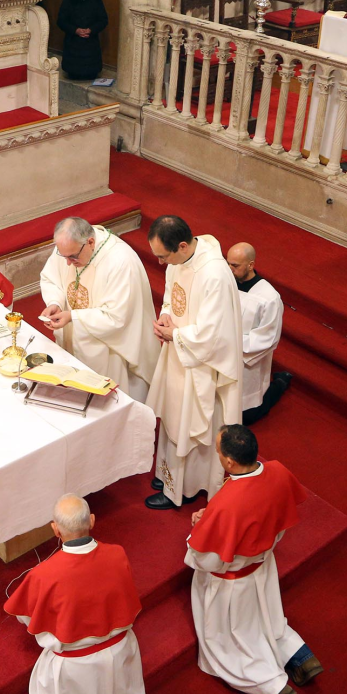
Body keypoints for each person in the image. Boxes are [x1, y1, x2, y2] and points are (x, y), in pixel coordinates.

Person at [185, 425, 323, 694]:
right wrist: (212, 518)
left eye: (218, 452)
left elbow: (204, 559)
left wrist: (200, 528)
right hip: (263, 565)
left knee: (233, 640)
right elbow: (270, 515)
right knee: (269, 622)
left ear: (229, 462)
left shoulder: (227, 504)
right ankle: (300, 657)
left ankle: (271, 688)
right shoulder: (278, 471)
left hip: (232, 584)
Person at [4, 494, 145, 694]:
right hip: (120, 654)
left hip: (75, 668)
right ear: (92, 521)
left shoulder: (43, 575)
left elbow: (27, 618)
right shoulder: (118, 554)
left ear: (55, 530)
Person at [144, 216, 242, 511]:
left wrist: (175, 334)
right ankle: (167, 476)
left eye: (163, 256)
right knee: (173, 418)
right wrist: (165, 314)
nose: (160, 263)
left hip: (201, 365)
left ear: (183, 246)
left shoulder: (214, 275)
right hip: (180, 353)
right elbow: (172, 297)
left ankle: (185, 489)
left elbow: (214, 334)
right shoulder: (179, 261)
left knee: (190, 424)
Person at [39, 217, 158, 403]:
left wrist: (73, 316)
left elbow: (117, 317)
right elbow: (51, 278)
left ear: (90, 242)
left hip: (109, 348)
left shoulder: (121, 261)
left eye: (73, 257)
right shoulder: (69, 247)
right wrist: (56, 302)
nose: (68, 263)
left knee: (107, 402)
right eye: (64, 257)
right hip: (74, 338)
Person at [226, 243, 292, 426]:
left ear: (250, 265)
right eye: (228, 263)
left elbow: (268, 338)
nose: (229, 269)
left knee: (248, 415)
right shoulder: (225, 283)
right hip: (221, 353)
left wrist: (230, 342)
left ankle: (280, 383)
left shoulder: (269, 298)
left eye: (235, 265)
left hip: (245, 360)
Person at [57, 0, 109, 81]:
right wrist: (75, 30)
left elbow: (103, 20)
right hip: (73, 43)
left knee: (91, 73)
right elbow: (61, 21)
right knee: (73, 74)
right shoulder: (68, 0)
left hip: (91, 44)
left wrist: (91, 30)